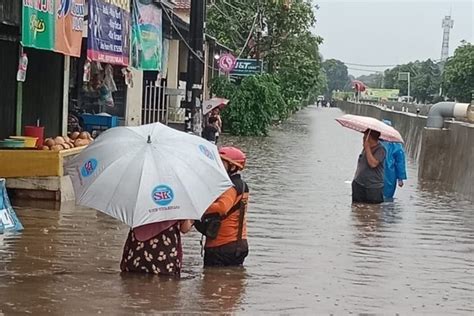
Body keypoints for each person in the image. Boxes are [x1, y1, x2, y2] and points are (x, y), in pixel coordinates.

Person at [195, 146, 250, 267]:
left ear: (233, 166)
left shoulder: (230, 187)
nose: (218, 165)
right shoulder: (241, 185)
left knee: (210, 283)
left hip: (221, 245)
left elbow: (221, 207)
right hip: (239, 243)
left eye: (222, 162)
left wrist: (197, 206)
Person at [120, 219, 194, 276]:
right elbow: (184, 229)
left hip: (138, 247)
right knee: (165, 283)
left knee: (133, 278)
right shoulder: (179, 203)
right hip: (165, 248)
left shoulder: (140, 201)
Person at [352, 129, 386, 204]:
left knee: (373, 212)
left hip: (373, 187)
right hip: (358, 184)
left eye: (365, 137)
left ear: (369, 138)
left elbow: (373, 164)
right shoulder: (365, 148)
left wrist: (367, 148)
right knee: (357, 210)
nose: (363, 139)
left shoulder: (381, 149)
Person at [381, 120, 407, 200]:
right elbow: (400, 162)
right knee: (387, 198)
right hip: (390, 175)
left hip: (376, 173)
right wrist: (400, 178)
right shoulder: (396, 144)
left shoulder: (375, 141)